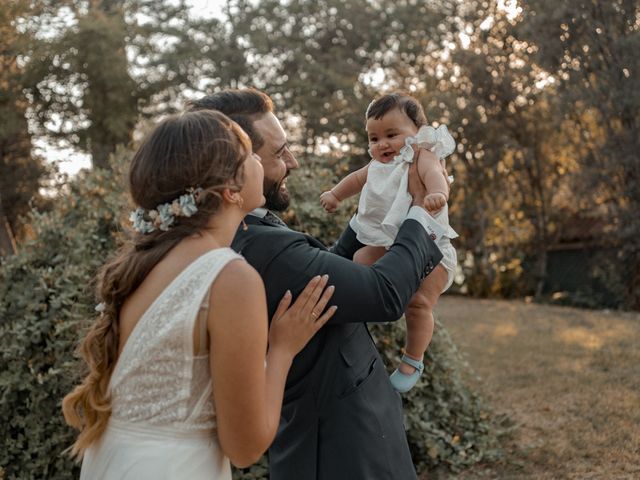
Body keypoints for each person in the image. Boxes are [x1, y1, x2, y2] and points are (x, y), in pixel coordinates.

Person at [62, 110, 337, 480]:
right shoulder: (230, 277)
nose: (259, 160)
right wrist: (283, 349)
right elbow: (245, 447)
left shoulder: (143, 266)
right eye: (250, 155)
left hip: (112, 461)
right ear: (230, 187)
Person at [188, 89, 447, 480]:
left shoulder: (249, 229)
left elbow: (322, 273)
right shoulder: (257, 246)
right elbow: (385, 295)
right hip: (342, 446)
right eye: (279, 153)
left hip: (346, 429)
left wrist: (370, 222)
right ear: (236, 166)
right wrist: (417, 214)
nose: (292, 162)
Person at [320, 92, 458, 392]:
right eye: (373, 138)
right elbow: (355, 180)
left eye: (391, 135)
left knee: (419, 304)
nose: (381, 144)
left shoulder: (421, 155)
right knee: (359, 262)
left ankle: (413, 359)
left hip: (432, 250)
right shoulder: (376, 166)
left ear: (418, 132)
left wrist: (437, 193)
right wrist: (335, 194)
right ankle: (367, 313)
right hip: (391, 243)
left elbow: (435, 175)